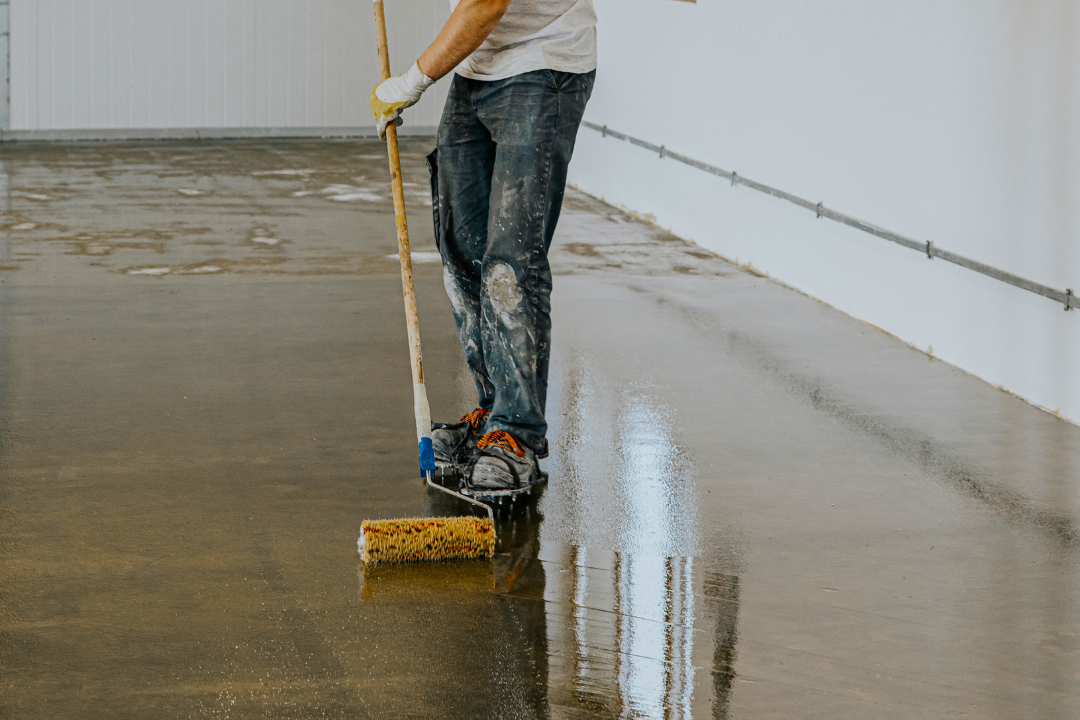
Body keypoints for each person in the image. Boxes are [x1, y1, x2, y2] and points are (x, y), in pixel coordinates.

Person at [370, 0, 596, 497]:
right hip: (479, 66)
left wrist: (410, 82)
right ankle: (494, 410)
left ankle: (516, 434)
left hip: (543, 64)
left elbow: (486, 4)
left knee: (510, 266)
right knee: (462, 253)